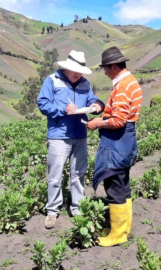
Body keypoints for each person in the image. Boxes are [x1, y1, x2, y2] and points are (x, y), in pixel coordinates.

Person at [38, 50, 104, 229]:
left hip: (80, 134)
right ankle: (52, 210)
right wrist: (63, 108)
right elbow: (43, 104)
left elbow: (92, 100)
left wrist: (97, 105)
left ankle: (77, 208)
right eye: (75, 70)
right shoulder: (52, 80)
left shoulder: (85, 83)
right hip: (59, 135)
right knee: (55, 174)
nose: (78, 74)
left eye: (80, 71)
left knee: (78, 174)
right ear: (66, 68)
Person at [86, 46, 142, 246]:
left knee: (114, 184)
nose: (105, 73)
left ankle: (117, 235)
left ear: (113, 66)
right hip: (126, 140)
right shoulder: (132, 82)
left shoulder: (122, 87)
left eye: (105, 68)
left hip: (117, 141)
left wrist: (97, 123)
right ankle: (123, 230)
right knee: (123, 185)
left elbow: (118, 121)